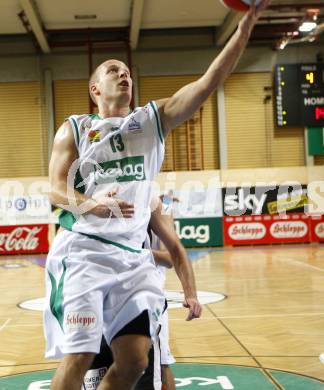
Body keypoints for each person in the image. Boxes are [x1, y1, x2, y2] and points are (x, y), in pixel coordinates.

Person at [45, 1, 270, 389]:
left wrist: (244, 28)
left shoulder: (151, 122)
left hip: (133, 260)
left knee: (134, 361)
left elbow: (208, 83)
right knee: (79, 355)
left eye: (128, 71)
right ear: (95, 88)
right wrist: (93, 205)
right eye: (113, 70)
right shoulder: (75, 128)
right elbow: (55, 189)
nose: (123, 75)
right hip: (84, 252)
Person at [85, 197, 188, 390]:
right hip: (102, 296)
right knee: (97, 367)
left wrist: (134, 253)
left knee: (160, 364)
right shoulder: (104, 204)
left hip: (147, 297)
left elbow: (171, 257)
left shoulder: (160, 207)